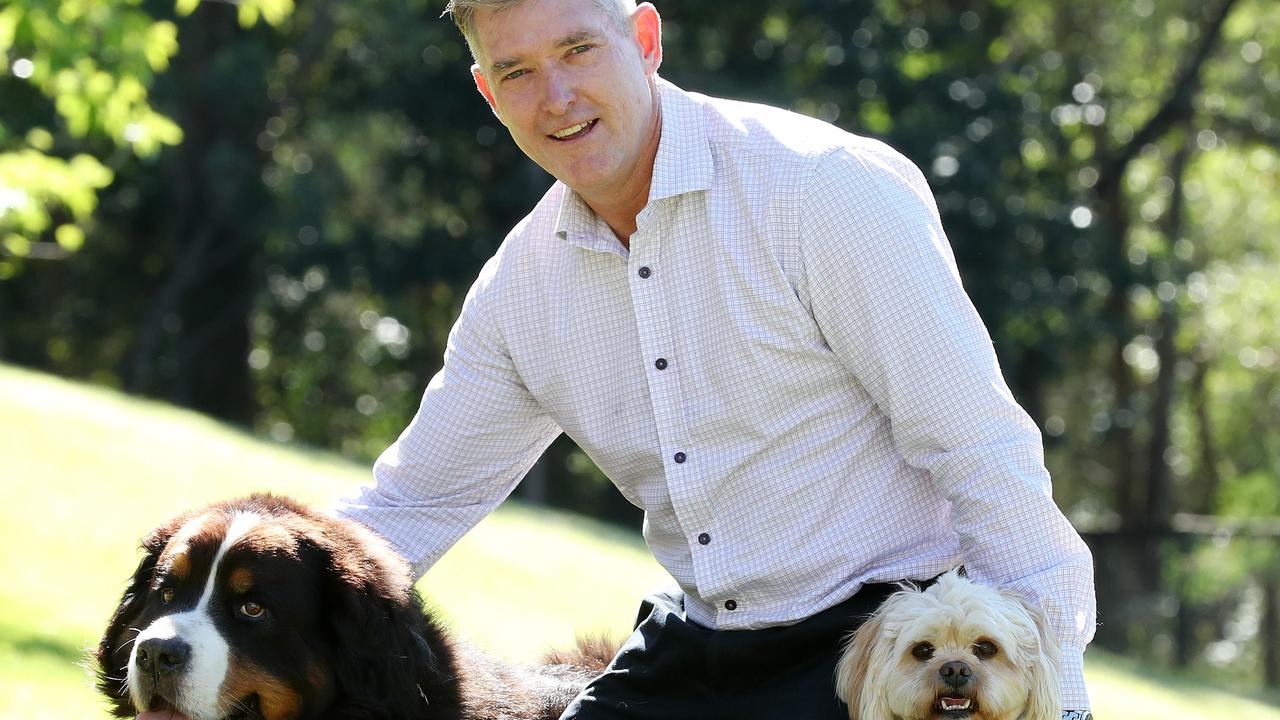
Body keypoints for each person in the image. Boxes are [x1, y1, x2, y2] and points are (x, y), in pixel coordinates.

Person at [335, 1, 1096, 718]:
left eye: (578, 49)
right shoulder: (521, 290)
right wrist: (229, 607)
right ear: (488, 94)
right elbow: (411, 506)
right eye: (518, 72)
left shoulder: (820, 191)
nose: (557, 96)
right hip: (701, 647)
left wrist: (1059, 696)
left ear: (645, 40)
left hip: (882, 643)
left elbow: (981, 447)